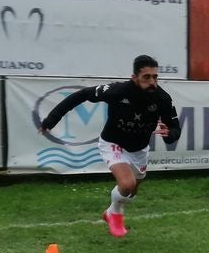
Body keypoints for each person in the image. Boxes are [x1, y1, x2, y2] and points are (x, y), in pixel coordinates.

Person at [38, 54, 180, 237]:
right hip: (113, 142)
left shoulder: (162, 98)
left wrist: (170, 135)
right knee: (127, 184)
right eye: (146, 77)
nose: (152, 82)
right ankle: (115, 214)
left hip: (139, 149)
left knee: (131, 193)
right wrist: (51, 120)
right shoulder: (117, 91)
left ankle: (110, 211)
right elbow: (82, 95)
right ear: (134, 77)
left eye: (155, 77)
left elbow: (174, 127)